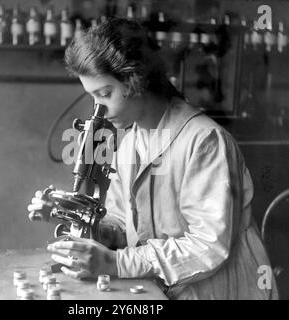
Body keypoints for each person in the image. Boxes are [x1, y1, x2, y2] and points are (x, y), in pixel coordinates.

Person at [27, 18, 278, 300]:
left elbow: (208, 247)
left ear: (136, 80)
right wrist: (83, 225)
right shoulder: (131, 141)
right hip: (166, 289)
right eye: (92, 97)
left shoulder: (203, 141)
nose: (99, 110)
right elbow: (124, 226)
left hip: (223, 290)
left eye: (105, 94)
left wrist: (115, 263)